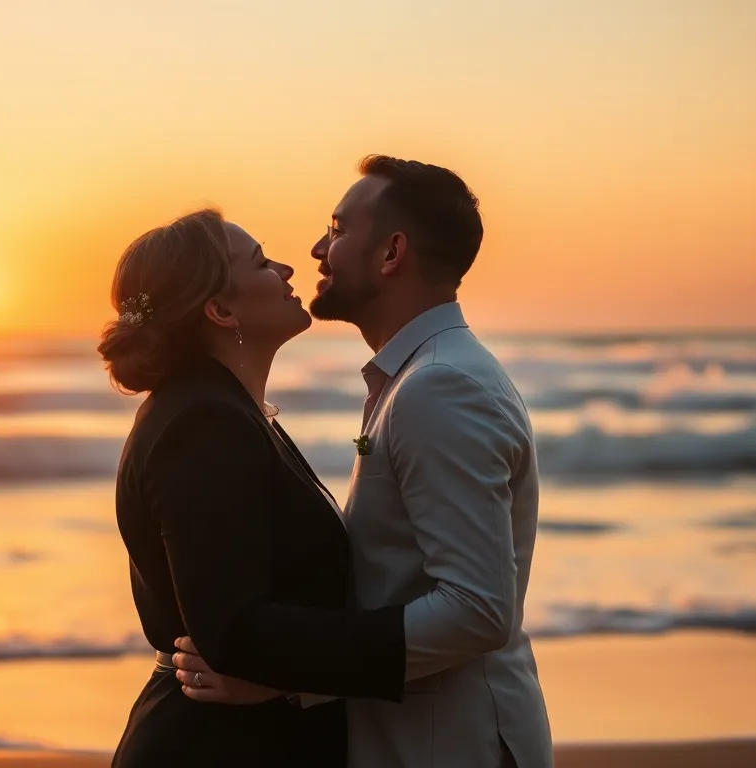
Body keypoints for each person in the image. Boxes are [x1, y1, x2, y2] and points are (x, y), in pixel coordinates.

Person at [172, 156, 554, 767]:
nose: (319, 248)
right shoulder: (419, 378)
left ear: (391, 253)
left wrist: (291, 678)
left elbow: (478, 609)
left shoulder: (438, 387)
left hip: (452, 747)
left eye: (339, 228)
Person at [98, 208, 410, 768]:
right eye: (263, 262)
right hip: (216, 746)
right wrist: (414, 643)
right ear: (220, 310)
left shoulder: (228, 411)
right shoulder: (202, 424)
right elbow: (233, 629)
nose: (289, 269)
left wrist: (288, 684)